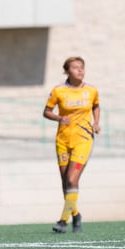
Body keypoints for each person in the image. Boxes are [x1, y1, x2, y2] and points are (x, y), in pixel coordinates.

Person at [43, 56, 100, 233]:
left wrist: (96, 123)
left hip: (83, 139)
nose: (80, 70)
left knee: (72, 179)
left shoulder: (91, 90)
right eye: (75, 67)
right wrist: (60, 118)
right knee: (65, 182)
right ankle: (76, 215)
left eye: (82, 67)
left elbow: (96, 106)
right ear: (67, 71)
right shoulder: (58, 91)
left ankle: (62, 220)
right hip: (63, 140)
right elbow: (46, 112)